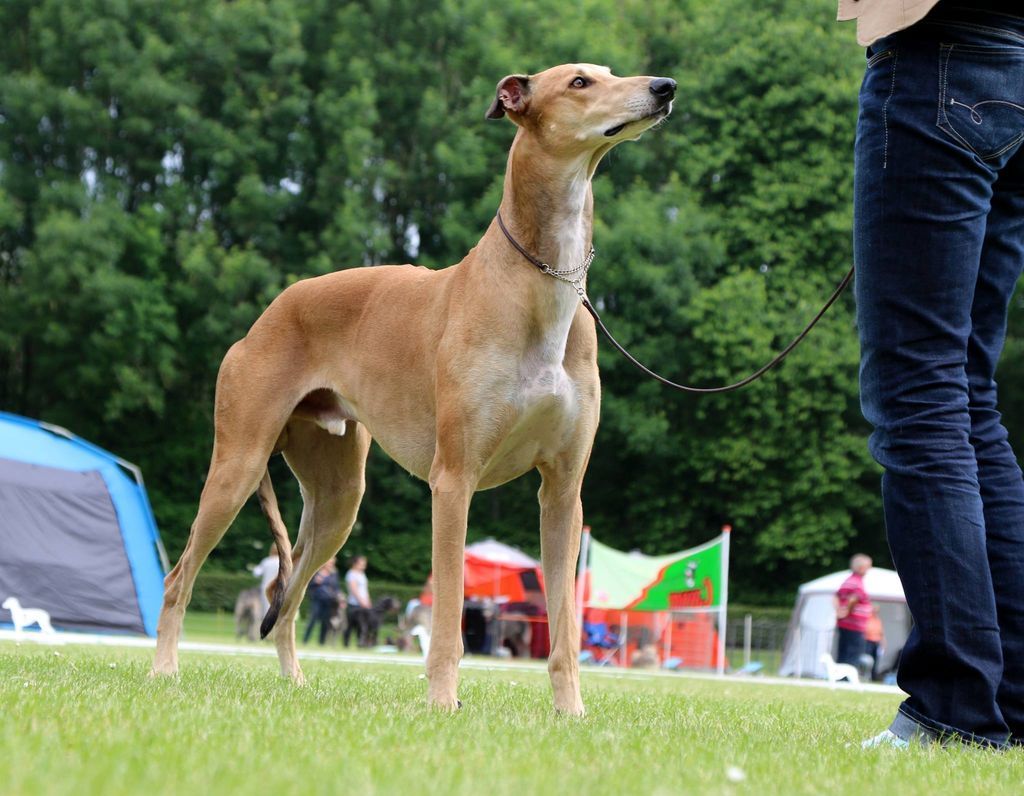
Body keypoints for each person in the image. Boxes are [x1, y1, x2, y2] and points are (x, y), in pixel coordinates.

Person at [843, 0, 1024, 748]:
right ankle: (1008, 706)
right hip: (1015, 62)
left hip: (939, 55)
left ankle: (952, 710)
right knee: (968, 398)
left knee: (921, 398)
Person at [833, 554, 872, 669]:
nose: (869, 570)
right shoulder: (857, 582)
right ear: (861, 568)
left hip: (845, 623)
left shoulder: (848, 581)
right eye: (868, 567)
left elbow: (835, 596)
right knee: (854, 652)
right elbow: (854, 598)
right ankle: (849, 677)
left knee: (844, 650)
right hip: (854, 624)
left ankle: (840, 676)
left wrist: (839, 611)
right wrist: (846, 612)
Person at [302, 559, 340, 646]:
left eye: (332, 563)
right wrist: (315, 582)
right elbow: (308, 586)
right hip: (317, 600)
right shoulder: (316, 572)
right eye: (330, 562)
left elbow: (336, 587)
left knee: (325, 622)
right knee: (312, 620)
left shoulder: (334, 574)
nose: (331, 564)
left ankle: (321, 642)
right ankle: (305, 640)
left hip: (329, 600)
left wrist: (339, 596)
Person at [344, 554, 372, 647]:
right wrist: (361, 601)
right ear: (355, 563)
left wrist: (368, 601)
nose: (364, 565)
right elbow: (354, 590)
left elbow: (365, 589)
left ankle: (360, 643)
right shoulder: (351, 574)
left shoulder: (362, 574)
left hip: (363, 604)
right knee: (350, 625)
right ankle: (346, 644)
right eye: (362, 563)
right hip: (354, 604)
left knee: (362, 625)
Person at [251, 544, 280, 619]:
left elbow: (256, 573)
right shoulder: (283, 562)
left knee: (266, 612)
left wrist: (254, 568)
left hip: (266, 589)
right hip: (279, 589)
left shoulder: (266, 561)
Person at [864, 606, 886, 683]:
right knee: (867, 660)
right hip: (868, 641)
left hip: (876, 642)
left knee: (876, 661)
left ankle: (873, 677)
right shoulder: (868, 619)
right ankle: (865, 675)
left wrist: (883, 644)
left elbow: (881, 634)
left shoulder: (878, 620)